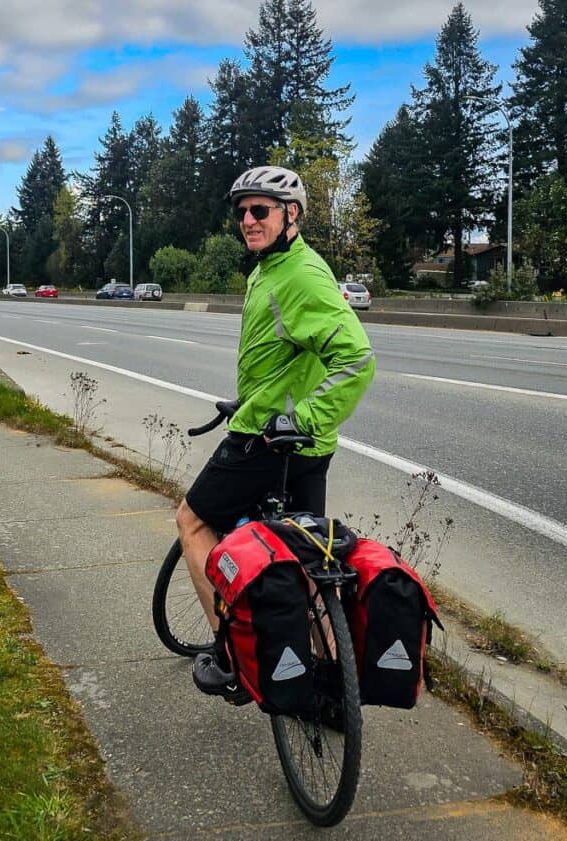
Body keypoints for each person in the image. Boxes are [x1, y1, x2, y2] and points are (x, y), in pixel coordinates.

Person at [175, 165, 376, 699]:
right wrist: (263, 395)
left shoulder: (301, 276)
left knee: (193, 521)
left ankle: (229, 653)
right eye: (241, 210)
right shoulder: (269, 270)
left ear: (291, 215)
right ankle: (335, 691)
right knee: (305, 560)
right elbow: (293, 355)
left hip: (267, 442)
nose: (247, 219)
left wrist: (296, 418)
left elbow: (355, 360)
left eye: (259, 209)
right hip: (302, 444)